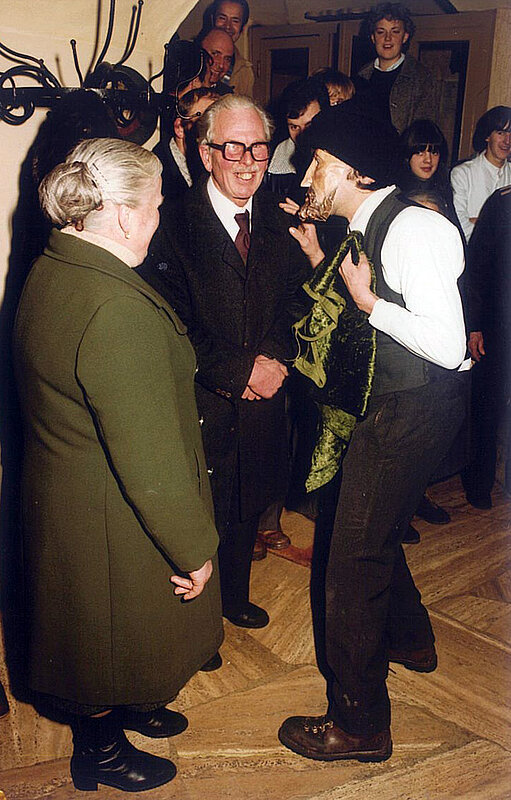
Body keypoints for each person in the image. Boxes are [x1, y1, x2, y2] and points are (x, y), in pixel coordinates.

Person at [13, 138, 222, 792]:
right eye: (156, 204)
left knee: (118, 631)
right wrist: (193, 547)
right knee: (102, 641)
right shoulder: (115, 310)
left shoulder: (58, 264)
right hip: (109, 509)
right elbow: (147, 459)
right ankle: (99, 754)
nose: (160, 216)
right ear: (127, 215)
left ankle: (135, 699)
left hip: (74, 490)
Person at [277, 103, 467, 761]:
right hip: (390, 402)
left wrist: (370, 303)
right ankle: (410, 638)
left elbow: (447, 345)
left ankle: (359, 726)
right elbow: (346, 313)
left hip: (411, 409)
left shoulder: (414, 228)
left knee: (351, 560)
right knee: (366, 530)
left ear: (353, 170)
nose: (306, 174)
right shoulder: (364, 224)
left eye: (318, 163)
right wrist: (319, 260)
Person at [138, 94, 308, 638]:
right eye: (232, 147)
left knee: (245, 502)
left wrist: (275, 360)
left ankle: (233, 598)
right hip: (200, 401)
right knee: (197, 515)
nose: (248, 161)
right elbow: (171, 325)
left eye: (258, 147)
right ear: (205, 152)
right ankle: (196, 629)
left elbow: (296, 301)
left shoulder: (279, 218)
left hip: (263, 399)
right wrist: (241, 372)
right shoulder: (169, 224)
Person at [462, 186, 511, 508]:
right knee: (487, 408)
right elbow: (476, 268)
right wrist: (475, 325)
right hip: (498, 326)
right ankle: (478, 482)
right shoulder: (502, 203)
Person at [358, 3, 439, 133]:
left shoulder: (421, 77)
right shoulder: (361, 75)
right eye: (381, 32)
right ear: (373, 38)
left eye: (395, 32)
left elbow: (424, 132)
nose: (387, 38)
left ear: (405, 37)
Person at [450, 105, 511, 242]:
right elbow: (460, 225)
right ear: (487, 136)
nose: (507, 141)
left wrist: (480, 223)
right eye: (501, 133)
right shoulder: (462, 174)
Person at [266, 77, 329, 202]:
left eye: (310, 125)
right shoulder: (273, 158)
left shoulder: (344, 163)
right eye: (294, 127)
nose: (303, 136)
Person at [153, 87, 220, 201]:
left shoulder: (214, 164)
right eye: (203, 122)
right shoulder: (156, 174)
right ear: (179, 128)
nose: (211, 131)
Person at [210, 0, 255, 96]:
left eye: (235, 21)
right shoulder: (191, 55)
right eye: (222, 18)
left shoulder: (245, 71)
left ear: (243, 27)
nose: (227, 26)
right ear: (212, 19)